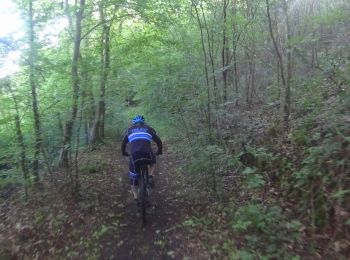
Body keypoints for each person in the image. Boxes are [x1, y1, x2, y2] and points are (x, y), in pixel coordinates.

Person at [121, 115, 162, 203]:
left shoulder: (129, 130)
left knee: (133, 177)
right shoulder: (149, 129)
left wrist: (124, 153)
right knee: (152, 163)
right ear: (143, 122)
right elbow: (158, 141)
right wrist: (159, 151)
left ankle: (136, 198)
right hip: (147, 153)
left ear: (134, 123)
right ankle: (150, 175)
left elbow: (123, 144)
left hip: (134, 155)